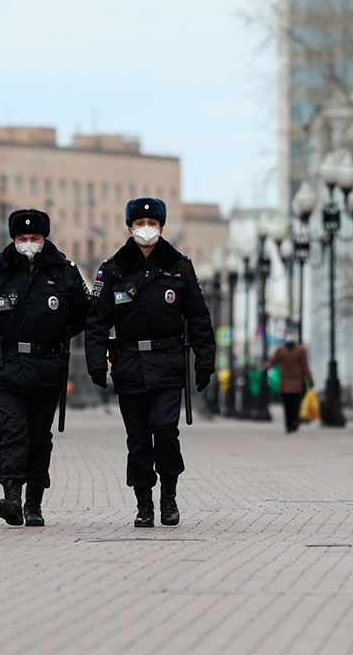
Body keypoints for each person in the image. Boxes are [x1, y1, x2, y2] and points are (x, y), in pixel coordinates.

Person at [85, 198, 216, 527]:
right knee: (139, 438)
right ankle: (144, 502)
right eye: (140, 223)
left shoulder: (180, 267)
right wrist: (96, 363)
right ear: (129, 228)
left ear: (161, 227)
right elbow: (97, 320)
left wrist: (205, 362)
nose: (147, 229)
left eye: (153, 223)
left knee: (164, 429)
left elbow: (199, 318)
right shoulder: (112, 269)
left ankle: (168, 494)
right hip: (128, 364)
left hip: (169, 363)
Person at [0, 208, 89, 527]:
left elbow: (85, 312)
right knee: (12, 433)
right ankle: (11, 497)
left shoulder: (64, 271)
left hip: (48, 365)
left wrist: (57, 336)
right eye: (22, 238)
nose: (29, 244)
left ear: (45, 238)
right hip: (7, 367)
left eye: (35, 238)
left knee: (38, 437)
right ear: (13, 239)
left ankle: (34, 502)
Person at [264, 338, 313, 434]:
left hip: (288, 382)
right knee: (293, 404)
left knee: (289, 405)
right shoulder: (298, 350)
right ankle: (293, 422)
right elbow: (304, 366)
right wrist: (310, 380)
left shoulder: (283, 350)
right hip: (292, 382)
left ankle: (289, 425)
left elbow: (272, 361)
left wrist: (266, 368)